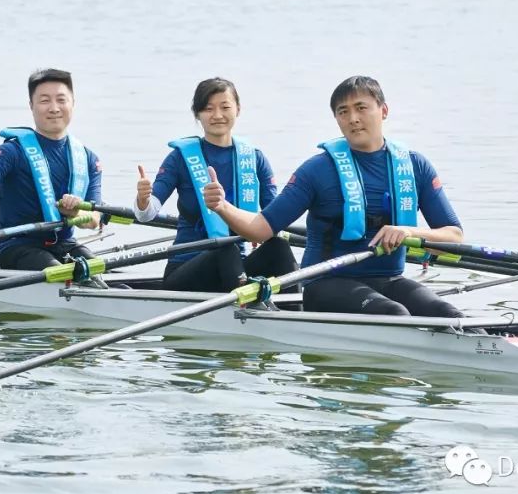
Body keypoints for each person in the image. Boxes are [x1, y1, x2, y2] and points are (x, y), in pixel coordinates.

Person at [203, 75, 464, 317]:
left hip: (390, 279)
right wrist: (222, 206)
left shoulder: (415, 166)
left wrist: (409, 232)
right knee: (395, 315)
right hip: (326, 283)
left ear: (384, 111)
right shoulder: (317, 170)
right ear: (337, 120)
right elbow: (260, 229)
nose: (353, 118)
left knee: (448, 314)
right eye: (343, 112)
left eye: (361, 108)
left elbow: (454, 236)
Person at [133, 77, 297, 293]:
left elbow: (274, 217)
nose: (217, 115)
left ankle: (296, 309)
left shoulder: (254, 159)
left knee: (279, 247)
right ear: (197, 114)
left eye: (225, 107)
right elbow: (147, 213)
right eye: (208, 109)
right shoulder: (180, 158)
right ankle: (247, 311)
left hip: (235, 267)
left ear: (238, 109)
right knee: (224, 246)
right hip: (186, 269)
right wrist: (143, 200)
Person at [0, 69, 102, 270]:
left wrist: (75, 212)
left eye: (61, 100)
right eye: (45, 101)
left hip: (65, 245)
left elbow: (94, 220)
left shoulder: (88, 159)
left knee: (97, 268)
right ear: (32, 106)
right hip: (18, 247)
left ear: (73, 103)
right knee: (59, 272)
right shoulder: (13, 151)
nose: (54, 108)